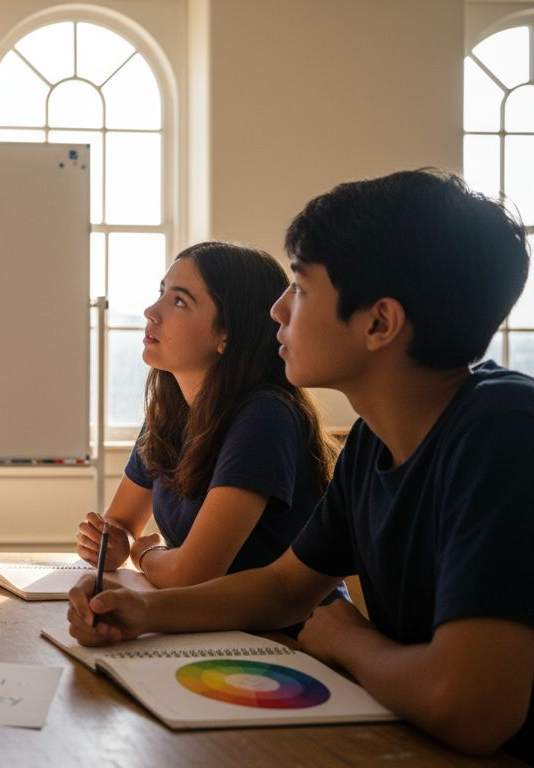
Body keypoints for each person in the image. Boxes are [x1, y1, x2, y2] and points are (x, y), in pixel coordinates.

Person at [67, 170, 533, 759]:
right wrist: (142, 609)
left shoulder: (502, 434)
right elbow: (287, 585)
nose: (277, 310)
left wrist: (349, 640)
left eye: (301, 288)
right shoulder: (373, 441)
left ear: (378, 323)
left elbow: (469, 709)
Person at [76, 242, 337, 589]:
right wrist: (110, 545)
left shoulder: (264, 417)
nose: (151, 311)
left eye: (179, 301)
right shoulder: (169, 413)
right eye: (161, 293)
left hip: (281, 635)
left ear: (227, 334)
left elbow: (192, 575)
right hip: (211, 628)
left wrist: (144, 555)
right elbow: (120, 524)